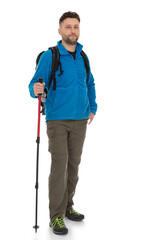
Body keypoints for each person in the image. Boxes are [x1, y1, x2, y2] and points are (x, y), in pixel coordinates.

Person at [29, 11, 97, 235]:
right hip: (57, 120)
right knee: (60, 168)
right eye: (68, 27)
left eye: (76, 27)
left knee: (73, 167)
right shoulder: (51, 55)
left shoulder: (83, 56)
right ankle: (56, 217)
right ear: (60, 31)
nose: (72, 31)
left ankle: (68, 207)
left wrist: (92, 108)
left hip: (80, 120)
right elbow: (34, 84)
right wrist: (36, 89)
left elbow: (90, 83)